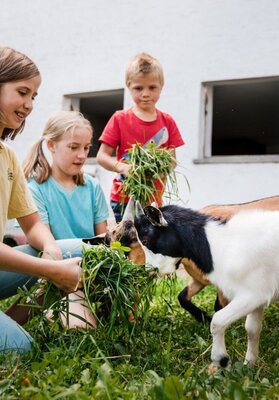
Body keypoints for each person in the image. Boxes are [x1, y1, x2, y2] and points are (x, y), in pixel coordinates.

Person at [0, 46, 83, 353]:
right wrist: (50, 270)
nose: (29, 104)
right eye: (22, 92)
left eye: (33, 96)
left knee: (79, 251)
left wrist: (50, 251)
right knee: (22, 351)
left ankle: (11, 323)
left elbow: (32, 222)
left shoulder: (7, 155)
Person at [22, 110, 110, 328]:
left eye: (86, 148)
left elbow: (104, 237)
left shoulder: (92, 187)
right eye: (73, 147)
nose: (82, 155)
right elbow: (45, 243)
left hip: (89, 273)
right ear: (51, 145)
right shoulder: (35, 190)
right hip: (52, 272)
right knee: (76, 326)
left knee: (84, 328)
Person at [96, 52, 185, 222]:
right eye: (138, 88)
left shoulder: (167, 122)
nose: (145, 94)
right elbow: (102, 156)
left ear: (161, 87)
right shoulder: (120, 119)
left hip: (153, 201)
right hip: (123, 199)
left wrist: (156, 168)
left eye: (152, 87)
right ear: (129, 87)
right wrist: (122, 167)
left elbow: (172, 162)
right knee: (124, 246)